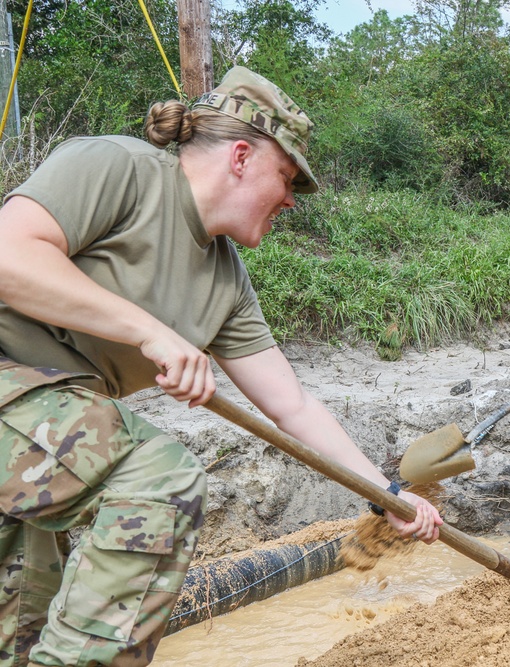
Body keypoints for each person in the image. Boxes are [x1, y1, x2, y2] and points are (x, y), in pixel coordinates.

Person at [0, 66, 442, 667]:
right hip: (15, 386)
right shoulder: (116, 168)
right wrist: (149, 332)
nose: (290, 199)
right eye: (286, 178)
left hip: (39, 437)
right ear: (240, 156)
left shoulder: (226, 281)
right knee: (159, 479)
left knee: (22, 625)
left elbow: (293, 406)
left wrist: (386, 494)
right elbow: (9, 254)